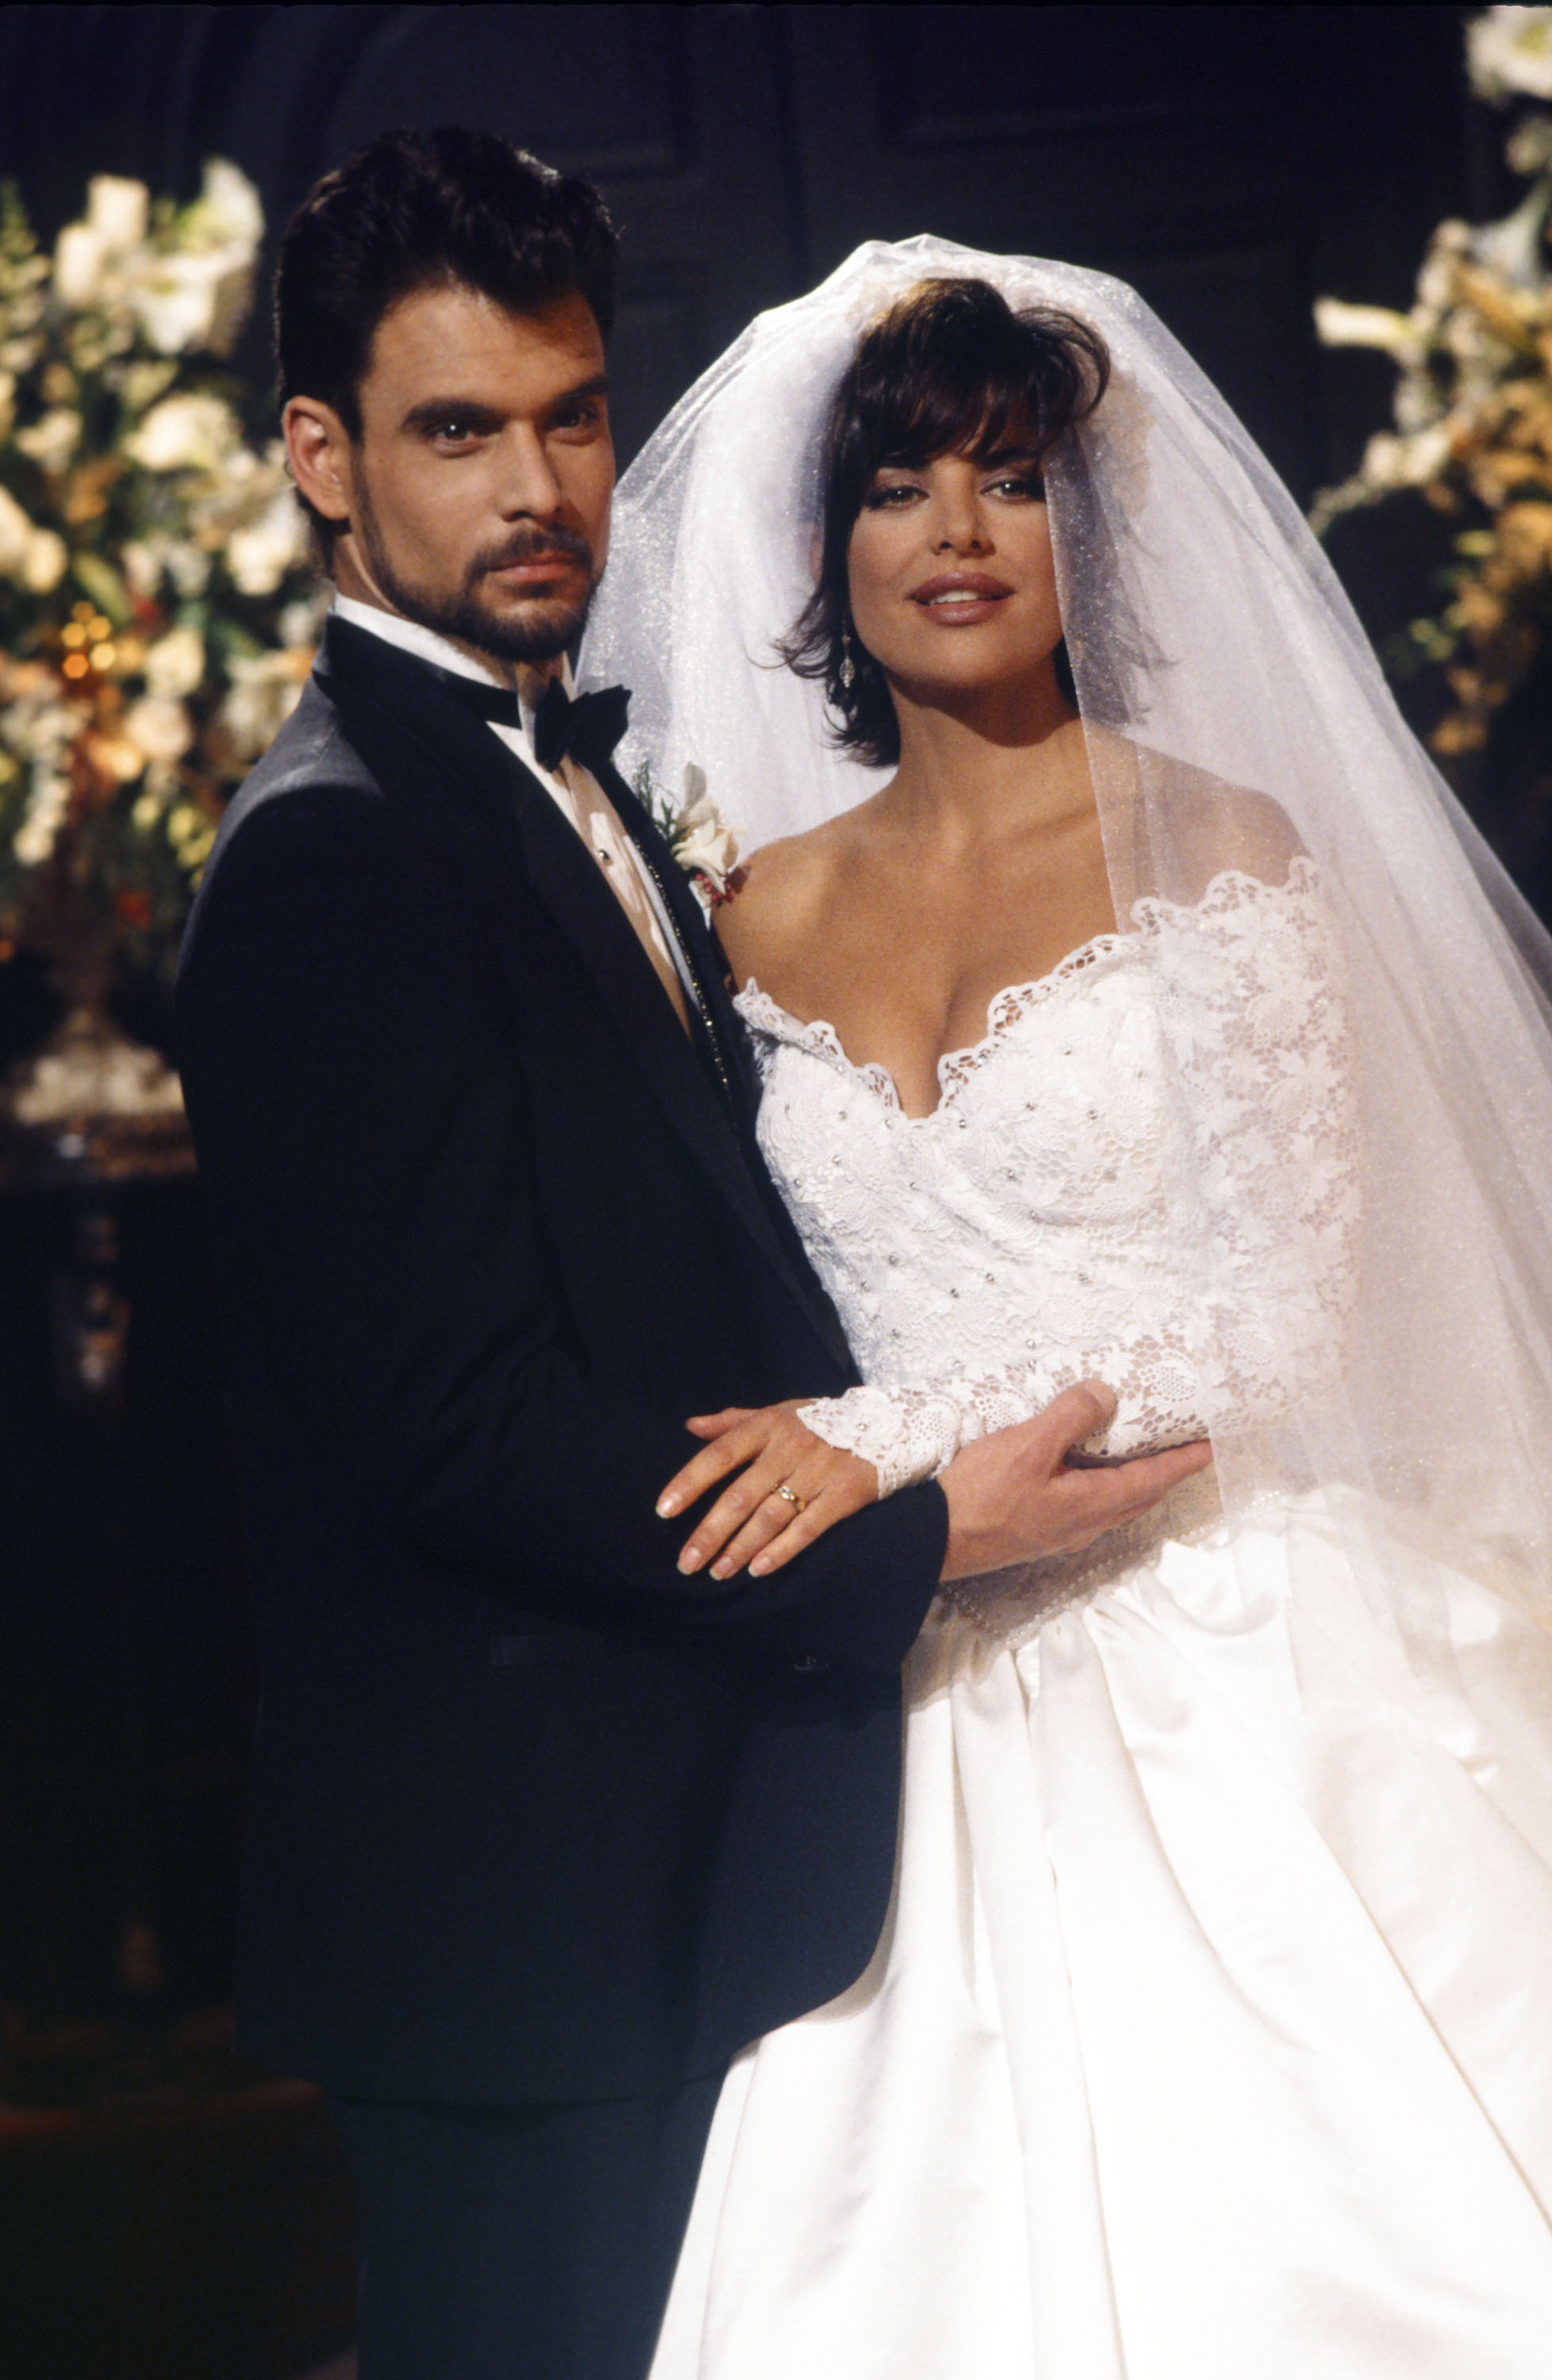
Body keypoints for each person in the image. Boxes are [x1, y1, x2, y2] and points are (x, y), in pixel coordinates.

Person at [174, 144, 1204, 2380]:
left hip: (686, 1863)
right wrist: (921, 1526)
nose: (535, 488)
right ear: (325, 461)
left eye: (569, 418)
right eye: (458, 431)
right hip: (506, 1907)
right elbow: (456, 1428)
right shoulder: (337, 853)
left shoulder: (576, 787)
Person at [579, 247, 1552, 2374]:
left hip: (1222, 1642)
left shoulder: (1217, 842)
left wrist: (882, 1440)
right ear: (822, 551)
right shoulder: (748, 910)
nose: (954, 529)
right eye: (898, 483)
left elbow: (1283, 1318)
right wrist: (867, 1482)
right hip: (902, 1687)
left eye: (1009, 479)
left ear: (1077, 531)